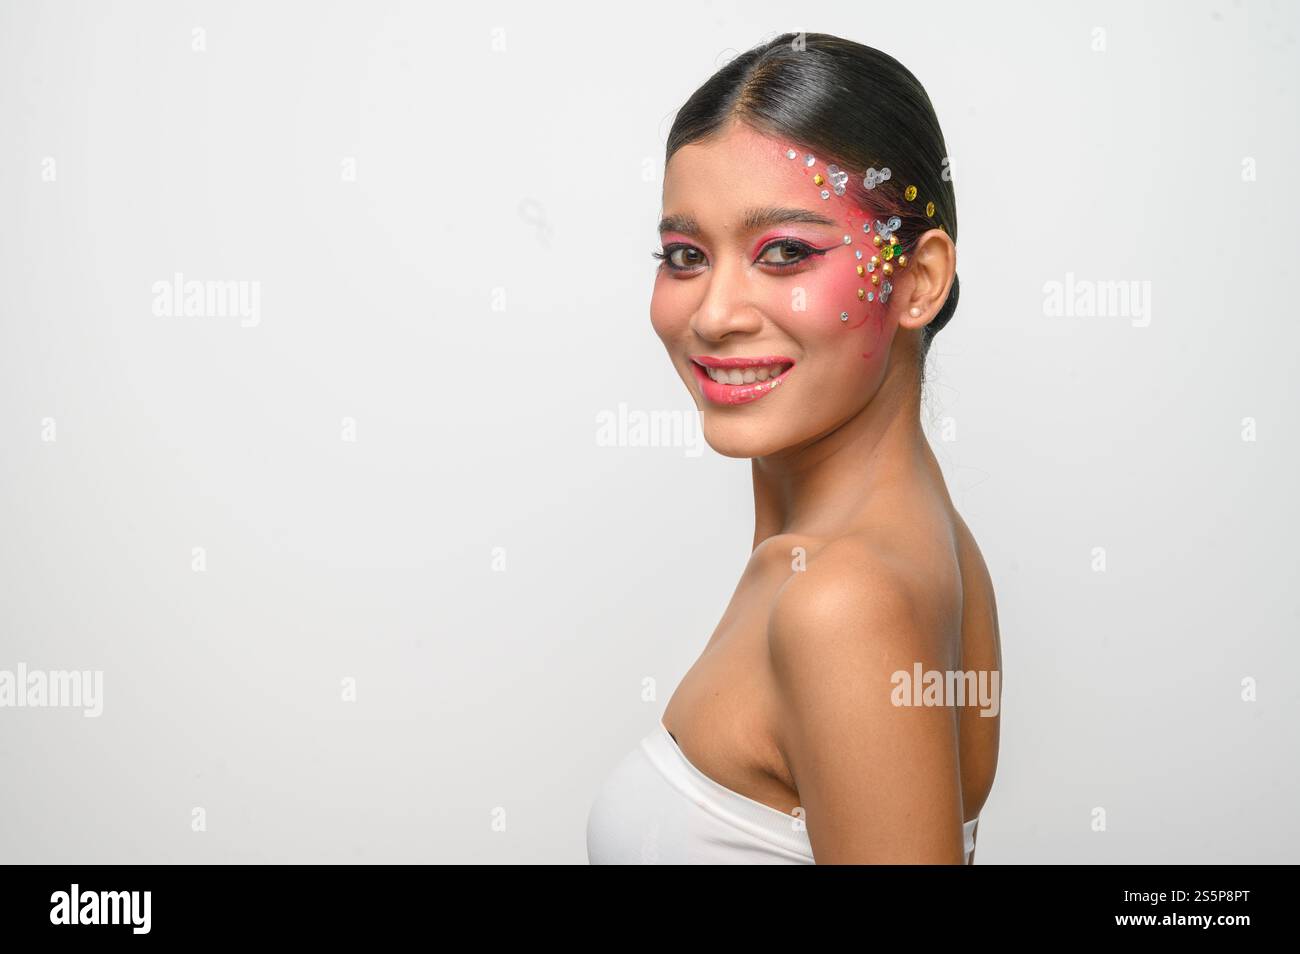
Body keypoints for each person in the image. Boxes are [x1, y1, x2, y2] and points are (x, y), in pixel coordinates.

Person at [587, 32, 1001, 864]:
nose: (713, 314)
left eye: (785, 252)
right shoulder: (900, 548)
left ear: (918, 280)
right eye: (685, 256)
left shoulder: (843, 600)